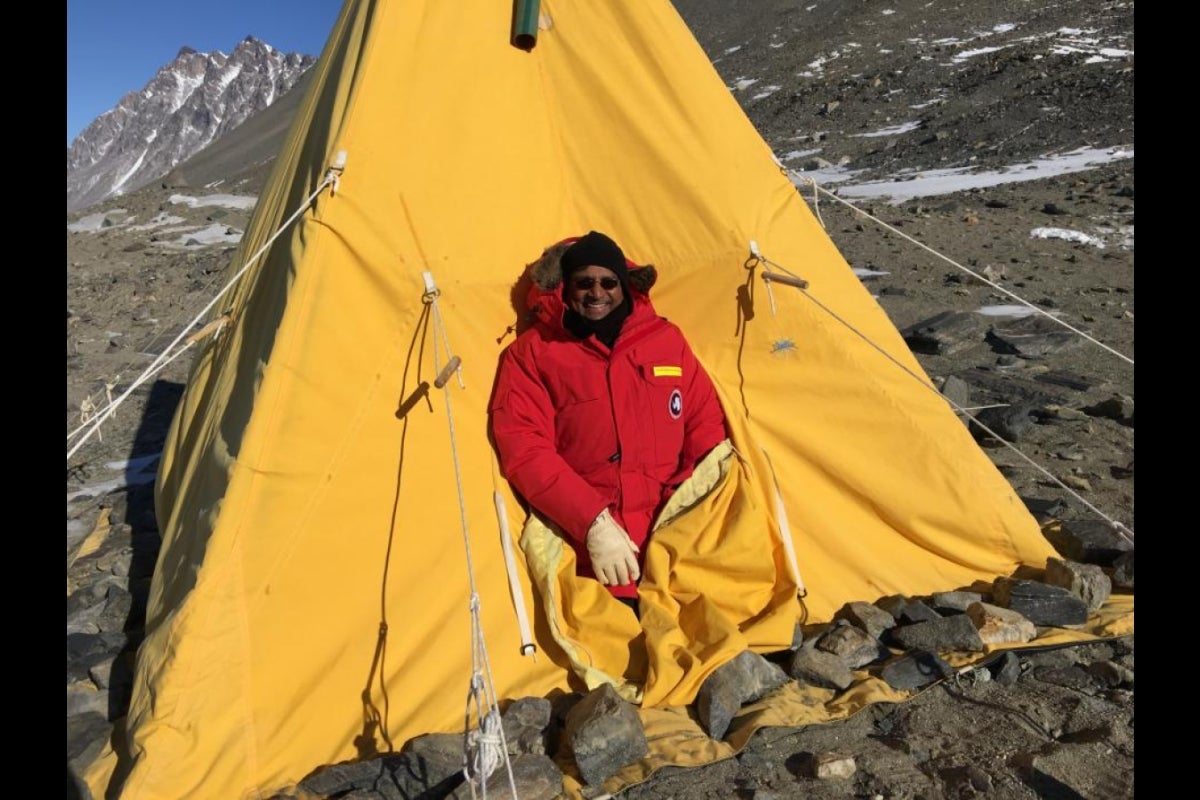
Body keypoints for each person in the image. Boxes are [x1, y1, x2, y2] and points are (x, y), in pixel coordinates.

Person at [489, 231, 729, 613]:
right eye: (584, 283)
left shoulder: (665, 340)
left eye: (608, 282)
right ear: (566, 288)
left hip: (677, 547)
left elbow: (705, 424)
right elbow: (525, 448)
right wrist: (593, 523)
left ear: (625, 286)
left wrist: (686, 509)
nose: (596, 293)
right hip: (591, 560)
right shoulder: (532, 355)